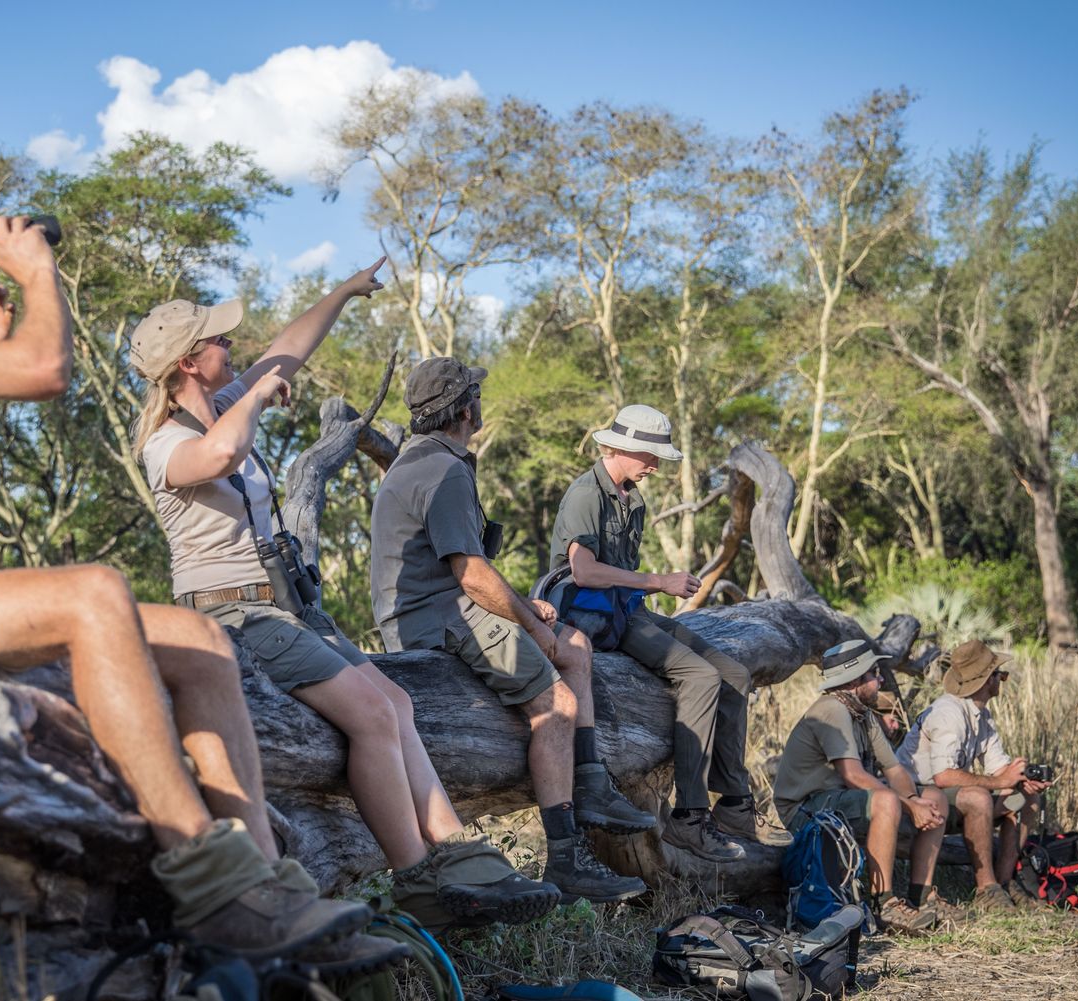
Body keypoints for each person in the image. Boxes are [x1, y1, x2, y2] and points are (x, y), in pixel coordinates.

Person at [0, 139, 397, 970]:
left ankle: (266, 885)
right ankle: (204, 874)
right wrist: (33, 277)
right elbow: (47, 367)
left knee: (203, 645)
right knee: (95, 591)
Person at [130, 274, 561, 929]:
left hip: (286, 606)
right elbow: (221, 454)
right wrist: (255, 399)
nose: (233, 344)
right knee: (369, 712)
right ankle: (418, 878)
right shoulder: (166, 441)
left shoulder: (227, 399)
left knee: (397, 702)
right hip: (232, 613)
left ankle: (456, 855)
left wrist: (345, 291)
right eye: (219, 338)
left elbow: (288, 348)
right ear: (189, 362)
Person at [368, 357, 652, 905]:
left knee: (576, 644)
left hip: (438, 604)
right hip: (435, 616)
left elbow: (468, 566)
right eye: (476, 393)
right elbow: (471, 575)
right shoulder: (445, 471)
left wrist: (529, 608)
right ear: (465, 409)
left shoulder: (424, 460)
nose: (480, 401)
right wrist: (528, 623)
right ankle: (565, 859)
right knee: (559, 704)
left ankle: (591, 782)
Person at [545, 404, 763, 861]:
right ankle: (689, 817)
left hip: (629, 612)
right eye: (650, 455)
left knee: (735, 674)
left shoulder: (635, 500)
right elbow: (583, 572)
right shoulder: (586, 494)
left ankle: (736, 808)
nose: (655, 466)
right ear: (623, 448)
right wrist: (658, 581)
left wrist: (647, 591)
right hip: (593, 617)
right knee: (701, 677)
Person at [772, 640, 948, 935]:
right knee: (886, 802)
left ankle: (923, 893)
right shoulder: (832, 709)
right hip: (805, 811)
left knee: (934, 796)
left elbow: (894, 769)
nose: (880, 680)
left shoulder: (863, 713)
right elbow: (852, 775)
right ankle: (886, 904)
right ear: (855, 679)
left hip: (837, 803)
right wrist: (907, 805)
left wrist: (916, 801)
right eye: (874, 673)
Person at [898, 639, 1050, 913]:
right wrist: (1000, 782)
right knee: (979, 798)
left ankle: (1005, 882)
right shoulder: (948, 714)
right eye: (999, 674)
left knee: (1026, 798)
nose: (1002, 680)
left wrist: (1023, 777)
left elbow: (998, 767)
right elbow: (943, 776)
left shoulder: (982, 715)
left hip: (944, 796)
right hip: (918, 796)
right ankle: (986, 889)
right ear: (985, 681)